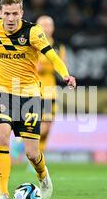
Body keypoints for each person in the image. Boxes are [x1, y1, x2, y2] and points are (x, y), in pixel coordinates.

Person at [0, 0, 76, 199]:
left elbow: (52, 56)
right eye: (6, 13)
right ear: (0, 14)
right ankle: (3, 195)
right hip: (3, 92)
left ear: (22, 14)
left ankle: (43, 176)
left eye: (15, 13)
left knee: (32, 153)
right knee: (2, 137)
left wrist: (65, 74)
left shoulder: (33, 32)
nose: (10, 18)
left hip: (29, 95)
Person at [11, 15, 66, 168]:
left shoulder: (59, 47)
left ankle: (33, 157)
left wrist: (45, 66)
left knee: (46, 128)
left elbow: (60, 65)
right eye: (43, 25)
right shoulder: (31, 45)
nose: (47, 28)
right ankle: (23, 144)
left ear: (53, 28)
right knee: (33, 123)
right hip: (32, 90)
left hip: (50, 91)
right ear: (37, 27)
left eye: (49, 25)